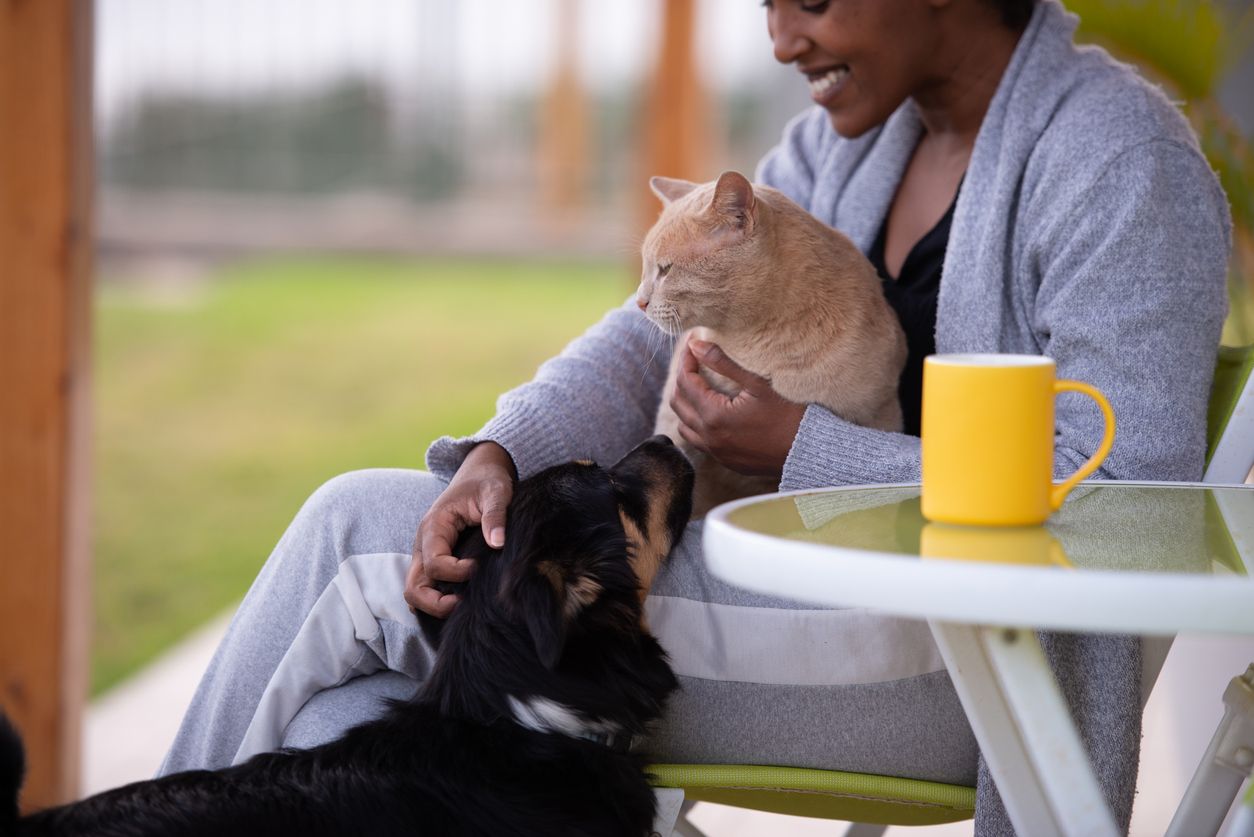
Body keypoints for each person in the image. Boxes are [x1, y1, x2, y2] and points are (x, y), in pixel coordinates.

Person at [160, 1, 1231, 833]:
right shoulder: (847, 146)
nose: (779, 40)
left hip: (969, 666)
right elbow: (644, 334)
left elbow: (1129, 493)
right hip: (787, 593)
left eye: (806, 0)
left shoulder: (1118, 162)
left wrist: (805, 450)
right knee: (330, 732)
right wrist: (502, 449)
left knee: (355, 534)